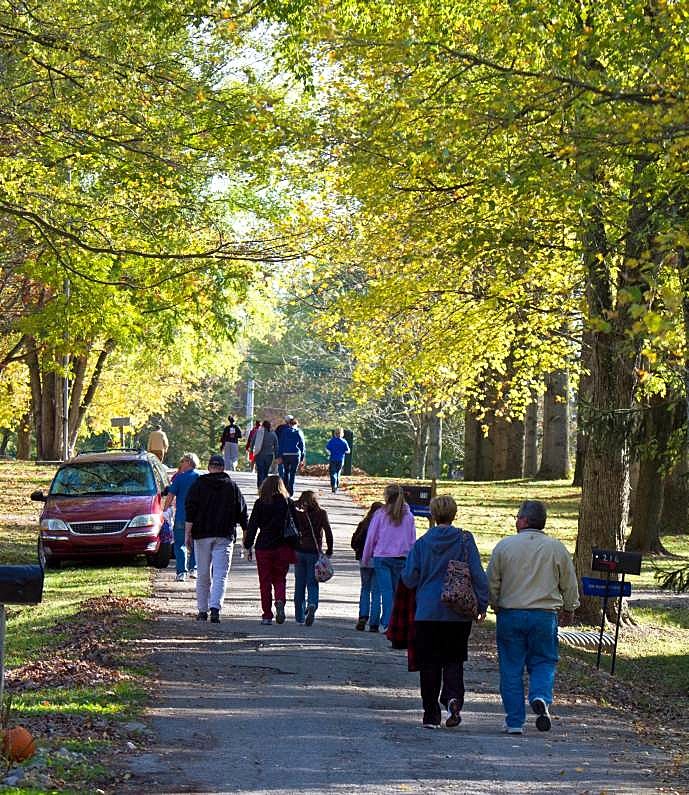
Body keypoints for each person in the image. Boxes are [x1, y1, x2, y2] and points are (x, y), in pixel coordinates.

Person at [487, 499, 580, 735]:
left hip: (511, 614)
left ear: (525, 520)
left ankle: (515, 722)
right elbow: (569, 583)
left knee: (511, 668)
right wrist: (570, 608)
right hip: (544, 615)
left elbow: (492, 582)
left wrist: (494, 604)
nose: (516, 520)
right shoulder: (556, 548)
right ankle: (540, 696)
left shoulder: (504, 546)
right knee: (544, 661)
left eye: (517, 516)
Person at [402, 495, 489, 729]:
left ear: (432, 514)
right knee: (454, 659)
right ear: (454, 514)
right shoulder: (465, 539)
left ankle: (431, 714)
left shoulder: (422, 543)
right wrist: (482, 604)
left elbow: (409, 578)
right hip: (457, 612)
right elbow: (479, 575)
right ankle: (453, 700)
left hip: (428, 611)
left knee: (429, 663)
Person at [184, 454, 248, 623]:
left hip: (202, 534)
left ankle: (202, 610)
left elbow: (190, 510)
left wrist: (187, 534)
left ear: (209, 467)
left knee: (203, 573)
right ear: (223, 467)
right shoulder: (232, 486)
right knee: (220, 574)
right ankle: (215, 609)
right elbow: (242, 513)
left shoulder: (198, 484)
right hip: (224, 535)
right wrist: (246, 538)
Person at [361, 484, 416, 631]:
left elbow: (371, 537)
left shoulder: (380, 514)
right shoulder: (409, 516)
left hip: (382, 556)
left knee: (386, 591)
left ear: (387, 497)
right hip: (401, 557)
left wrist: (366, 557)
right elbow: (412, 540)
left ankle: (386, 623)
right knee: (396, 592)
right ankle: (392, 622)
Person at [244, 475, 296, 625]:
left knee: (265, 581)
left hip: (264, 546)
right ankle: (280, 600)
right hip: (283, 546)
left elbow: (252, 526)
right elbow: (295, 525)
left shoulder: (260, 503)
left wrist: (248, 545)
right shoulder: (288, 503)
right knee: (280, 578)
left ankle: (267, 614)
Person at [293, 491, 333, 626]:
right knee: (312, 582)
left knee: (299, 583)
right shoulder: (322, 513)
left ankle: (299, 617)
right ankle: (312, 604)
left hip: (299, 551)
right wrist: (329, 550)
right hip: (314, 553)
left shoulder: (298, 514)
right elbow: (328, 532)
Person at [163, 452, 200, 582]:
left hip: (181, 516)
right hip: (197, 517)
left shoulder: (179, 478)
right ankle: (194, 568)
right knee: (196, 543)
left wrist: (165, 509)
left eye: (183, 462)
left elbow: (170, 496)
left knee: (180, 544)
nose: (181, 464)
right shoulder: (200, 478)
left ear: (189, 462)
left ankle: (181, 572)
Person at [351, 501, 383, 632]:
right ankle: (374, 622)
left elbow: (354, 542)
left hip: (365, 560)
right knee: (377, 592)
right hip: (379, 560)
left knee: (365, 589)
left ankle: (363, 616)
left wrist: (360, 551)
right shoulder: (384, 527)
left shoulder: (364, 524)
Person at [277, 417, 305, 496]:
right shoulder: (299, 432)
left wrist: (279, 456)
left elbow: (281, 444)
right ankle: (291, 491)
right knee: (292, 473)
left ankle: (285, 490)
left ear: (289, 424)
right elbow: (302, 445)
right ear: (297, 424)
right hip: (296, 455)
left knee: (286, 472)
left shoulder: (284, 431)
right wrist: (302, 457)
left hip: (285, 455)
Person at [253, 420, 279, 488]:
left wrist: (251, 451)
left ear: (263, 426)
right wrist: (276, 456)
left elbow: (253, 442)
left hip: (259, 455)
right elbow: (276, 446)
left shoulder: (258, 433)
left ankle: (259, 488)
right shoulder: (273, 434)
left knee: (260, 472)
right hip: (269, 456)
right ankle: (264, 488)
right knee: (265, 473)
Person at [325, 428, 350, 494]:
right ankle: (336, 485)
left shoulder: (332, 441)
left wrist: (329, 452)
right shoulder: (344, 441)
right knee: (338, 472)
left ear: (335, 434)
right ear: (342, 434)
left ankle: (334, 485)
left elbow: (327, 448)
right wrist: (343, 451)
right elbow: (348, 451)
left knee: (333, 473)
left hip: (333, 459)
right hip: (341, 459)